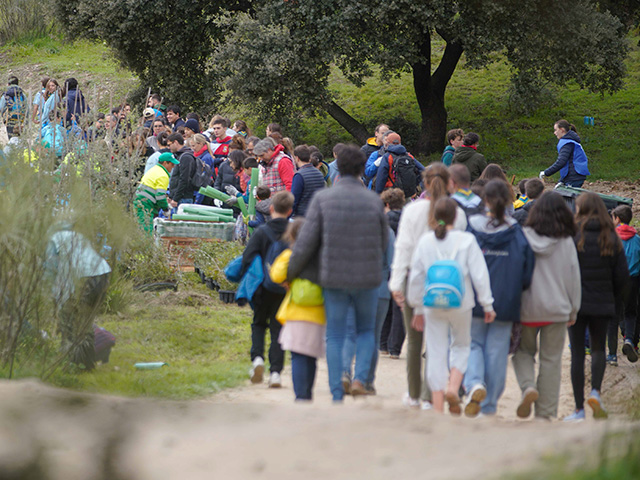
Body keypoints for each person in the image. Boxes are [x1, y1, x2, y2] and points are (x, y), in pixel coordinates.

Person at [287, 145, 388, 401]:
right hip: (368, 276)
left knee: (335, 333)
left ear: (337, 168)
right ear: (361, 169)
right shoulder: (374, 201)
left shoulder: (323, 199)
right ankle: (360, 379)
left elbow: (306, 242)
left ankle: (336, 391)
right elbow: (383, 241)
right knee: (366, 331)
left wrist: (290, 272)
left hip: (333, 276)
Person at [389, 163, 467, 408]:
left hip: (415, 279)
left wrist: (395, 282)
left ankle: (413, 394)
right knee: (438, 341)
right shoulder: (458, 212)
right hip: (446, 282)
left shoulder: (412, 211)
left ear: (423, 183)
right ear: (450, 183)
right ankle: (427, 394)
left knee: (414, 341)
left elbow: (402, 248)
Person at [407, 197, 495, 414]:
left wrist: (416, 307)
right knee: (461, 345)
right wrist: (487, 304)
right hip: (461, 303)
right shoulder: (466, 240)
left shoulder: (426, 241)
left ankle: (437, 408)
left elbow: (416, 276)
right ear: (456, 216)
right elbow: (480, 275)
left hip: (431, 303)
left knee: (435, 351)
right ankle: (454, 388)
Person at [463, 180, 535, 417]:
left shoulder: (471, 227)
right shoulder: (517, 232)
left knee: (473, 344)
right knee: (496, 351)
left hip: (474, 298)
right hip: (506, 299)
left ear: (484, 199)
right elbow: (528, 268)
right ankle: (489, 405)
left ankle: (474, 383)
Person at [513, 192, 582, 421]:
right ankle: (545, 415)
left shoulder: (522, 236)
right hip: (557, 309)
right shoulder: (566, 242)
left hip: (527, 308)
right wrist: (573, 309)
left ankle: (528, 386)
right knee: (551, 360)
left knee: (522, 352)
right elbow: (574, 277)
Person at [564, 193, 629, 421]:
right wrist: (614, 297)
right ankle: (596, 392)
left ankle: (579, 409)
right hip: (603, 303)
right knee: (599, 349)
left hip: (575, 304)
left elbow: (564, 271)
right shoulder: (611, 237)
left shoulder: (573, 235)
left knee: (577, 354)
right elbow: (622, 275)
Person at [242, 191, 295, 388]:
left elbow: (247, 258)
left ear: (271, 209)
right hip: (284, 288)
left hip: (261, 287)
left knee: (258, 324)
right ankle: (275, 373)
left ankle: (257, 360)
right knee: (278, 329)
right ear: (290, 211)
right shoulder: (293, 232)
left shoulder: (261, 232)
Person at [269, 219, 325, 401]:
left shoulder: (291, 254)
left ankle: (301, 396)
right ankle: (308, 393)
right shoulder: (322, 254)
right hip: (318, 313)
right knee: (311, 356)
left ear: (291, 235)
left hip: (296, 311)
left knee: (298, 356)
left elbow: (276, 275)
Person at [610, 205, 640, 364]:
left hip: (615, 279)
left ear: (617, 219)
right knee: (630, 312)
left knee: (614, 314)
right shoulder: (637, 239)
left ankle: (612, 354)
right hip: (633, 280)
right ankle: (629, 340)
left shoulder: (611, 237)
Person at [379, 188, 406, 358]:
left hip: (384, 267)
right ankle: (395, 347)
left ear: (387, 204)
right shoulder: (407, 219)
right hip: (402, 265)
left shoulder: (382, 222)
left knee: (385, 306)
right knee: (399, 308)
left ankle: (383, 344)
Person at [134, 152, 179, 233]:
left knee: (140, 227)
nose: (173, 167)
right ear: (165, 163)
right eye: (172, 164)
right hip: (146, 204)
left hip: (141, 201)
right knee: (146, 230)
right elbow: (160, 196)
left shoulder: (154, 170)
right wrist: (165, 208)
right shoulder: (163, 175)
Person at [540, 119, 590, 188]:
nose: (555, 133)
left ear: (562, 130)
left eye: (555, 130)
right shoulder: (570, 141)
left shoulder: (567, 143)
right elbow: (568, 164)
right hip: (574, 176)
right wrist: (561, 181)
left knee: (569, 198)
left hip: (574, 177)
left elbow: (561, 162)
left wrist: (546, 173)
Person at [374, 133, 424, 198]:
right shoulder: (409, 156)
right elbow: (423, 170)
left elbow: (381, 177)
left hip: (392, 194)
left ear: (388, 143)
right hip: (409, 193)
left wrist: (378, 194)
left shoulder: (387, 157)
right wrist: (415, 183)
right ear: (400, 142)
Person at [291, 144, 326, 217]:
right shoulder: (319, 173)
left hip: (302, 215)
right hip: (318, 214)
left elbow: (294, 200)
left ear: (297, 158)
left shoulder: (299, 175)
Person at [167, 133, 197, 208]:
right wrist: (171, 196)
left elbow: (184, 179)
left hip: (183, 198)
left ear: (176, 142)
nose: (168, 147)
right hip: (178, 197)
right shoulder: (179, 156)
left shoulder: (186, 157)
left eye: (169, 144)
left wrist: (176, 198)